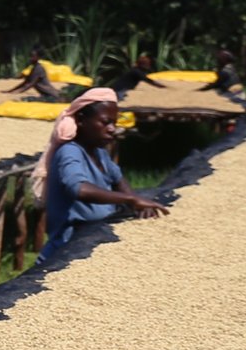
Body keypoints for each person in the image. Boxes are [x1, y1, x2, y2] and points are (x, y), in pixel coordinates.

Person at [33, 89, 166, 254]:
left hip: (94, 237)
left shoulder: (99, 152)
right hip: (67, 247)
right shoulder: (70, 151)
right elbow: (78, 189)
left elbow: (119, 181)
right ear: (81, 120)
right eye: (105, 122)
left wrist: (138, 204)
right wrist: (131, 199)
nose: (112, 129)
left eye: (114, 123)